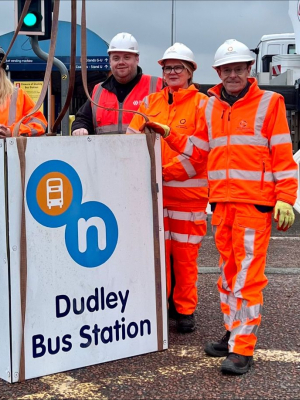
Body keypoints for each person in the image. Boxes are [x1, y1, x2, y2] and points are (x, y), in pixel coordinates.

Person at [145, 39, 298, 374]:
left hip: (254, 205)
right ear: (218, 72)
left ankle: (242, 348)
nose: (232, 74)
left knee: (246, 278)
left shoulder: (270, 103)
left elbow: (283, 156)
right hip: (222, 203)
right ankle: (232, 332)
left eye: (238, 69)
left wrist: (286, 198)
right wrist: (168, 133)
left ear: (248, 70)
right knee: (229, 275)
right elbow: (198, 151)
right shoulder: (211, 106)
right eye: (227, 70)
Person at [127, 43, 208, 334]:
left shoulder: (202, 104)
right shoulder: (150, 103)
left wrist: (162, 173)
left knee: (185, 259)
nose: (172, 72)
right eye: (167, 68)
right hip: (154, 195)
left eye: (178, 68)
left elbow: (200, 155)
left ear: (189, 72)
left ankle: (185, 311)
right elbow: (130, 139)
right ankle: (160, 305)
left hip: (187, 198)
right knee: (156, 256)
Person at [71, 32, 163, 136]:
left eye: (127, 57)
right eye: (116, 58)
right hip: (105, 151)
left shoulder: (158, 86)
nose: (121, 62)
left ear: (137, 59)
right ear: (110, 61)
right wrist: (80, 128)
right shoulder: (98, 91)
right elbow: (82, 119)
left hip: (145, 152)